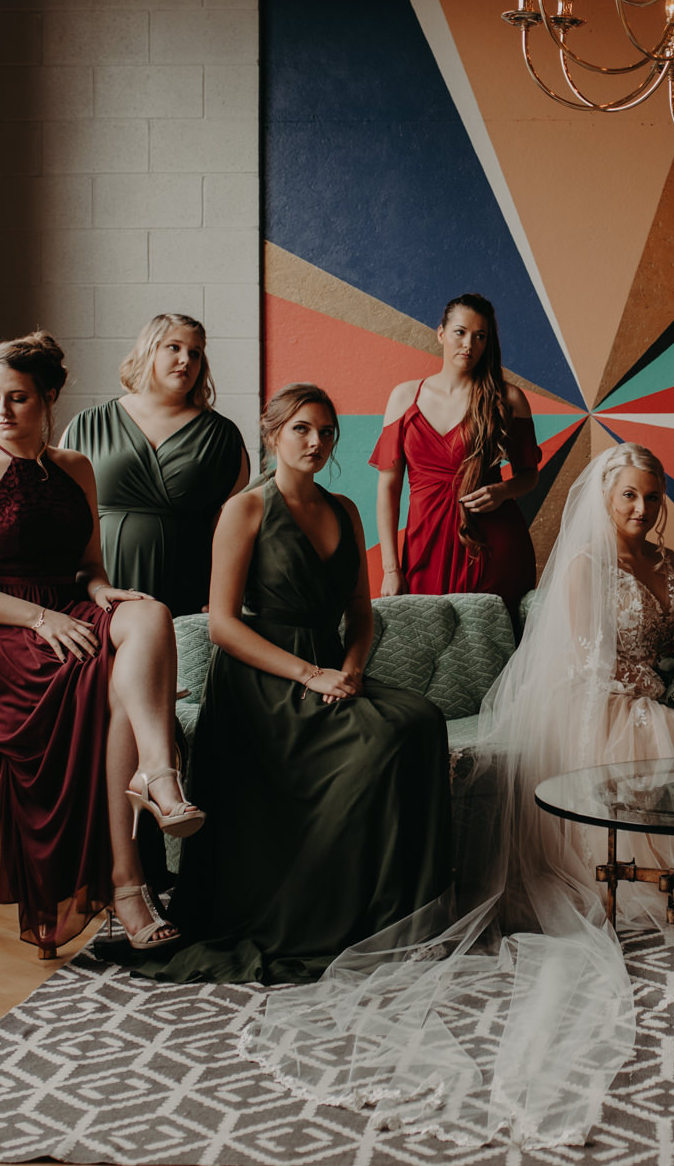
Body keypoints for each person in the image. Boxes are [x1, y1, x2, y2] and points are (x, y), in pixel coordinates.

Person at [234, 442, 674, 1147]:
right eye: (629, 494)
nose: (641, 508)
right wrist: (648, 701)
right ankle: (651, 872)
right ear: (605, 496)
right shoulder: (585, 563)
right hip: (598, 703)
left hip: (652, 694)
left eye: (652, 496)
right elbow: (588, 665)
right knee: (669, 739)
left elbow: (671, 649)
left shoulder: (669, 562)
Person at [121, 385, 452, 984]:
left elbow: (362, 610)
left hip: (331, 669)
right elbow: (221, 625)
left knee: (421, 720)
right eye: (301, 429)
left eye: (326, 431)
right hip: (262, 681)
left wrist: (350, 669)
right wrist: (309, 673)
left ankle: (406, 917)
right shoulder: (245, 509)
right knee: (377, 742)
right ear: (273, 434)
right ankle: (334, 914)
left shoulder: (346, 510)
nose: (316, 442)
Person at [0, 332, 202, 955]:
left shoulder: (75, 466)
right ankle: (129, 888)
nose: (1, 410)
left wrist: (102, 588)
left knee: (150, 612)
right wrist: (38, 620)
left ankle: (158, 778)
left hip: (66, 607)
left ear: (50, 397)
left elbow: (89, 567)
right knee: (116, 689)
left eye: (18, 398)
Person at [59, 312, 250, 617]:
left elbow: (233, 527)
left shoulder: (222, 436)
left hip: (189, 590)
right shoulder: (87, 424)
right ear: (148, 350)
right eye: (173, 347)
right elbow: (59, 519)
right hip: (100, 589)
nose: (185, 359)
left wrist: (226, 596)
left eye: (195, 352)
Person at [373, 294, 540, 618]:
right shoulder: (405, 397)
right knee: (428, 649)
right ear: (441, 333)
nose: (469, 344)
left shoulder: (508, 398)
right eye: (460, 332)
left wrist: (503, 491)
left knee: (497, 650)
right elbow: (388, 490)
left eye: (480, 336)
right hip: (426, 544)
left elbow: (529, 475)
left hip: (494, 544)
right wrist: (391, 569)